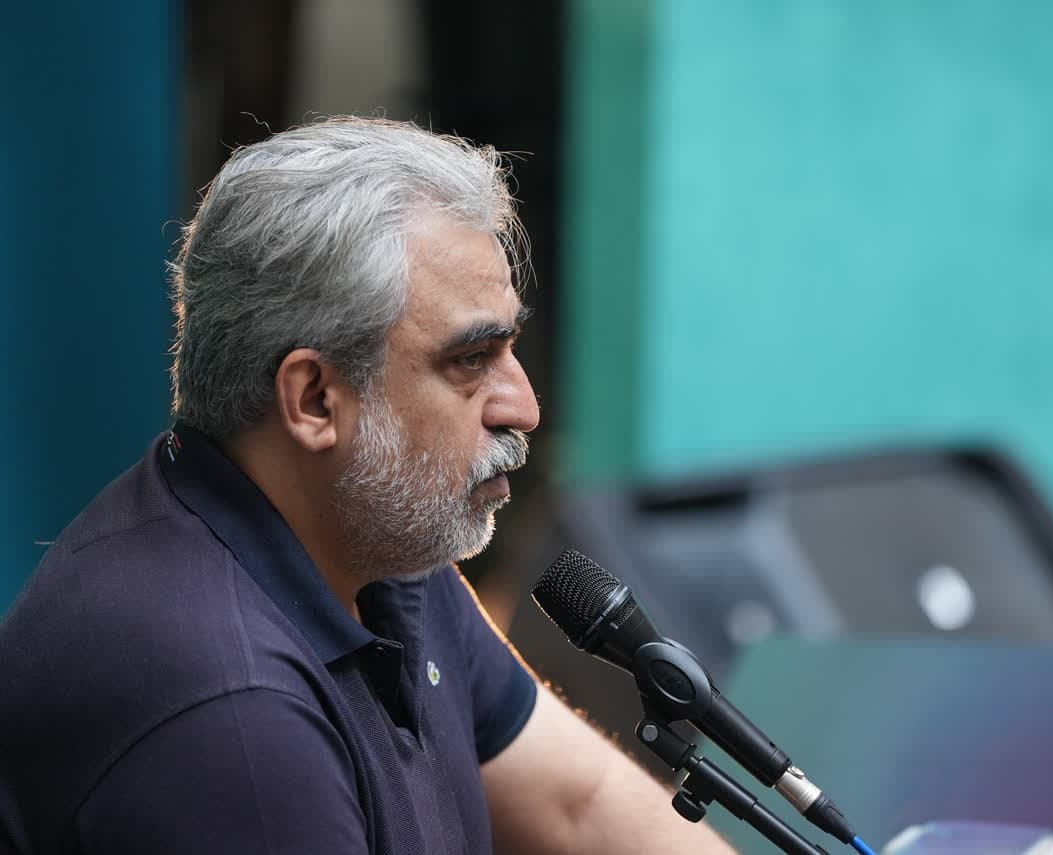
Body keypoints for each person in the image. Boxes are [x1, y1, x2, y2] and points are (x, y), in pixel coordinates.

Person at [0, 117, 734, 854]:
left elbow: (579, 803)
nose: (525, 407)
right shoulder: (230, 714)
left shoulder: (370, 538)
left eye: (509, 346)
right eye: (471, 359)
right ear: (315, 400)